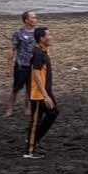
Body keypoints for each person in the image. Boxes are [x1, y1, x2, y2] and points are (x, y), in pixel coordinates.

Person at [24, 26, 59, 159]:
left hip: (45, 91)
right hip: (38, 94)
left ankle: (35, 139)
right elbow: (36, 74)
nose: (51, 37)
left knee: (53, 113)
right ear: (41, 38)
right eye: (48, 35)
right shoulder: (38, 53)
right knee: (35, 121)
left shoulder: (43, 51)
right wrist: (45, 95)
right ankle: (30, 150)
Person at [5, 11, 38, 118]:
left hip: (33, 66)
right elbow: (12, 50)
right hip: (21, 65)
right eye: (33, 18)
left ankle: (27, 107)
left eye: (36, 17)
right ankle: (10, 108)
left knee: (30, 88)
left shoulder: (38, 33)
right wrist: (8, 67)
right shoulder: (19, 33)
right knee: (16, 88)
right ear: (26, 20)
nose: (35, 19)